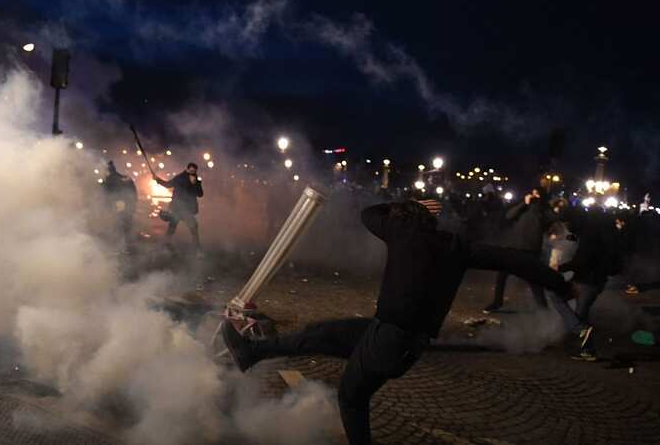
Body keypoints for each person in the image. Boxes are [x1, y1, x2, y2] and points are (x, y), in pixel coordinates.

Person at [222, 199, 575, 445]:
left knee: (351, 396)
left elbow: (369, 213)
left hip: (393, 340)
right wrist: (560, 284)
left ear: (405, 219)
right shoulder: (458, 247)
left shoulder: (403, 232)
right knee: (321, 334)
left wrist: (411, 203)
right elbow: (516, 261)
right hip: (394, 336)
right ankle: (252, 352)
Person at [548, 212, 630, 361]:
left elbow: (581, 262)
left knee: (574, 312)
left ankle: (583, 340)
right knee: (576, 312)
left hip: (586, 282)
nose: (566, 227)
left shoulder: (590, 237)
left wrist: (559, 268)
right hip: (595, 282)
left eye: (567, 224)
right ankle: (585, 345)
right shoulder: (600, 234)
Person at [483, 187, 552, 313]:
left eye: (537, 193)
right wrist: (524, 204)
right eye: (532, 192)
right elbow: (509, 216)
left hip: (530, 249)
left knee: (534, 280)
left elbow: (550, 221)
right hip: (514, 247)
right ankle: (497, 303)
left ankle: (543, 309)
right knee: (501, 276)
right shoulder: (523, 206)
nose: (534, 195)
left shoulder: (544, 209)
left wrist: (540, 206)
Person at [155, 163, 204, 254]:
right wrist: (157, 180)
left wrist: (195, 184)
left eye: (194, 171)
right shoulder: (179, 178)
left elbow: (200, 194)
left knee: (194, 227)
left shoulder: (196, 180)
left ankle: (197, 249)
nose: (193, 173)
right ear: (187, 169)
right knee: (172, 227)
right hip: (177, 207)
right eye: (191, 170)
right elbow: (168, 184)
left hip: (187, 209)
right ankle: (165, 246)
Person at [103, 160, 137, 253]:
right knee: (125, 228)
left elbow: (105, 194)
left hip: (119, 208)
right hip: (126, 207)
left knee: (118, 228)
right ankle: (125, 247)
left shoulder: (109, 181)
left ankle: (120, 247)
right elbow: (134, 194)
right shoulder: (126, 179)